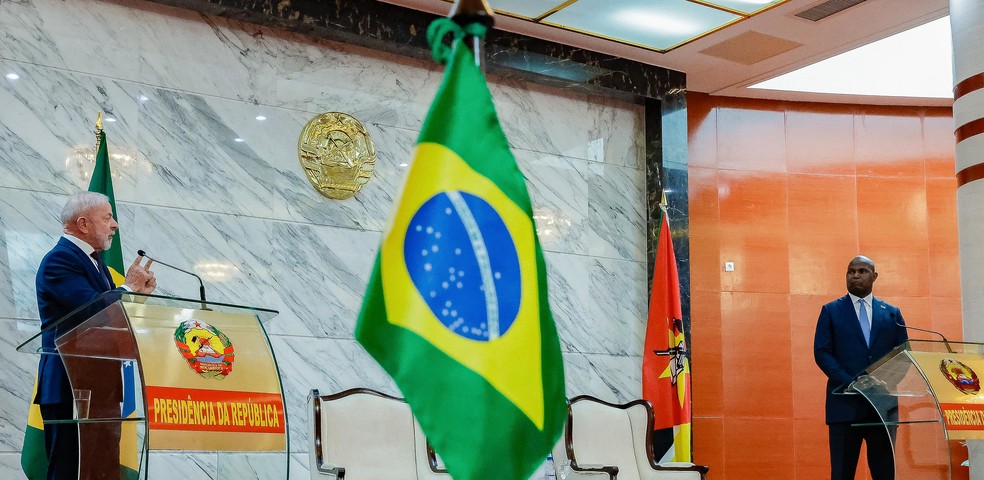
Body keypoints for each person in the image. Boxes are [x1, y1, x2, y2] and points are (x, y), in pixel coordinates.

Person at [34, 191, 156, 480]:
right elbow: (90, 310)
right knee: (70, 470)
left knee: (102, 470)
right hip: (72, 386)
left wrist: (137, 296)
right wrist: (127, 288)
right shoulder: (59, 260)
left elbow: (108, 321)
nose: (115, 225)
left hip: (98, 388)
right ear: (83, 224)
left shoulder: (93, 259)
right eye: (108, 217)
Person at [814, 255, 908, 480]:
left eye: (862, 271)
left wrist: (884, 381)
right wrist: (851, 382)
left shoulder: (891, 313)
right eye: (851, 271)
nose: (855, 275)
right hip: (844, 405)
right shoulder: (831, 311)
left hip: (882, 406)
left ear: (874, 276)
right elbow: (822, 352)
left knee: (885, 473)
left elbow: (904, 354)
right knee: (842, 473)